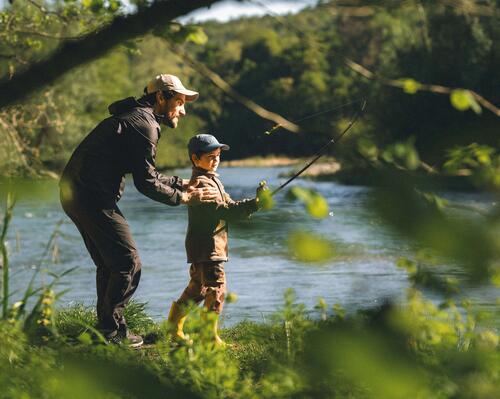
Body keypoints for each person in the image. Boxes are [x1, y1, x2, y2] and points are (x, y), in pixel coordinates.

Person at [60, 74, 218, 347]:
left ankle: (105, 331)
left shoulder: (136, 118)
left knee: (111, 264)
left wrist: (181, 183)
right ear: (161, 97)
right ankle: (112, 334)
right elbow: (146, 184)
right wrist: (184, 198)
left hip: (75, 193)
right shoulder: (145, 125)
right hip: (90, 196)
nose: (183, 109)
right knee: (127, 263)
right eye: (179, 101)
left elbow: (147, 172)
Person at [167, 134, 265, 346]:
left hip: (202, 247)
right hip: (208, 247)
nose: (216, 160)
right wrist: (254, 205)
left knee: (197, 288)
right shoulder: (202, 183)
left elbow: (229, 203)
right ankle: (208, 337)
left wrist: (254, 202)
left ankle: (173, 329)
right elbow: (224, 211)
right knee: (217, 289)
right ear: (195, 158)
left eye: (218, 155)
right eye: (211, 156)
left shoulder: (212, 179)